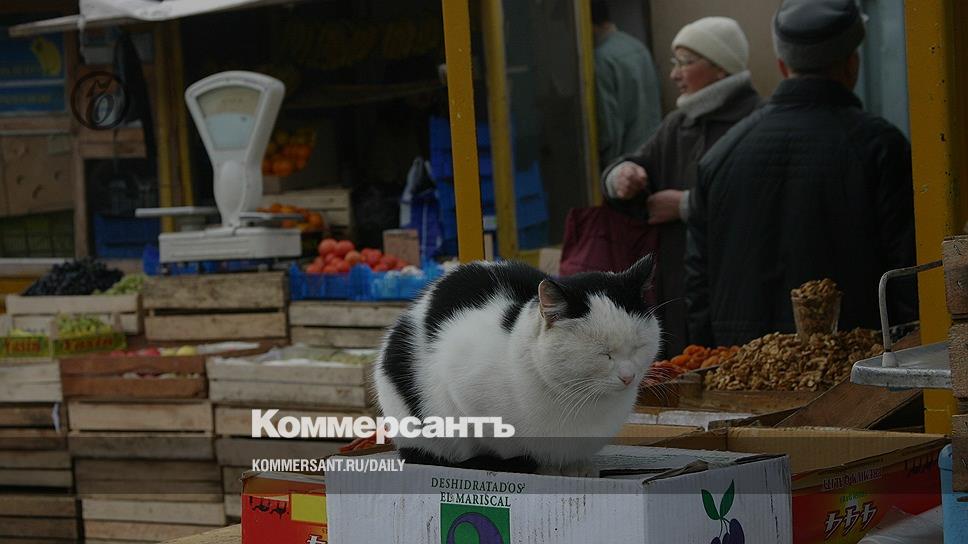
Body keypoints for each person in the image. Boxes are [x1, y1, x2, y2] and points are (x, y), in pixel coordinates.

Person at [685, 0, 917, 347]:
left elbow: (697, 287)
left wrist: (715, 363)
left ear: (782, 66)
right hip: (856, 368)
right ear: (852, 65)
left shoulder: (721, 154)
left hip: (743, 368)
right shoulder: (881, 147)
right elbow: (908, 280)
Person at [601, 16, 761, 356]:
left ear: (720, 68)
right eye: (675, 63)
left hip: (739, 288)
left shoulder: (757, 123)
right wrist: (620, 176)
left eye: (685, 62)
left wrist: (687, 205)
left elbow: (762, 202)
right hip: (678, 289)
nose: (674, 74)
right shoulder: (677, 124)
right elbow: (638, 162)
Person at [592, 0, 663, 166]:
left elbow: (608, 128)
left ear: (590, 26)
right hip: (652, 152)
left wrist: (606, 168)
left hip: (625, 164)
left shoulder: (601, 59)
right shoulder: (636, 45)